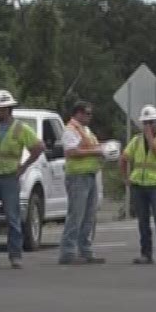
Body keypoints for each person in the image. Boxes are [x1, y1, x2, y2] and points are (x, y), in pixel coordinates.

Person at [0, 89, 42, 269]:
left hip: (9, 178)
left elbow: (37, 147)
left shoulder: (21, 128)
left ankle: (15, 256)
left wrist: (24, 166)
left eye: (0, 109)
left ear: (9, 109)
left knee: (13, 218)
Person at [57, 101, 107, 265]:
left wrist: (105, 149)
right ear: (78, 113)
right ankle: (68, 252)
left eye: (90, 113)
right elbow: (71, 151)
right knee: (76, 215)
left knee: (89, 216)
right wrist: (97, 151)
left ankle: (85, 251)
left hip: (90, 175)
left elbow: (92, 147)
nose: (90, 116)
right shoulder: (71, 129)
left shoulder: (86, 130)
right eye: (87, 113)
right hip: (77, 176)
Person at [122, 104, 156, 265]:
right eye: (145, 123)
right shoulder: (136, 141)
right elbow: (124, 158)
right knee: (142, 220)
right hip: (139, 185)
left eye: (151, 122)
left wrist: (150, 137)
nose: (148, 126)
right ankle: (146, 253)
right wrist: (126, 178)